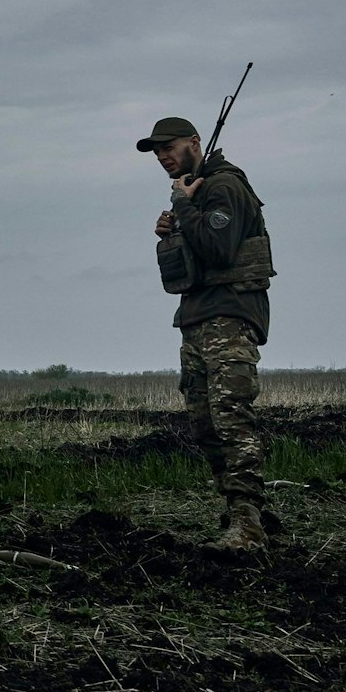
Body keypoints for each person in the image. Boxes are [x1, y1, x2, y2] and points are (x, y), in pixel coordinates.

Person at [141, 116, 274, 551]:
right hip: (197, 317)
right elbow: (194, 255)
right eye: (157, 150)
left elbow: (219, 249)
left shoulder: (223, 186)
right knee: (204, 423)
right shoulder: (196, 190)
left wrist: (182, 206)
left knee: (230, 417)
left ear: (195, 143)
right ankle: (241, 512)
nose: (163, 155)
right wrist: (173, 229)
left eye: (169, 146)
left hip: (230, 316)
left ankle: (248, 525)